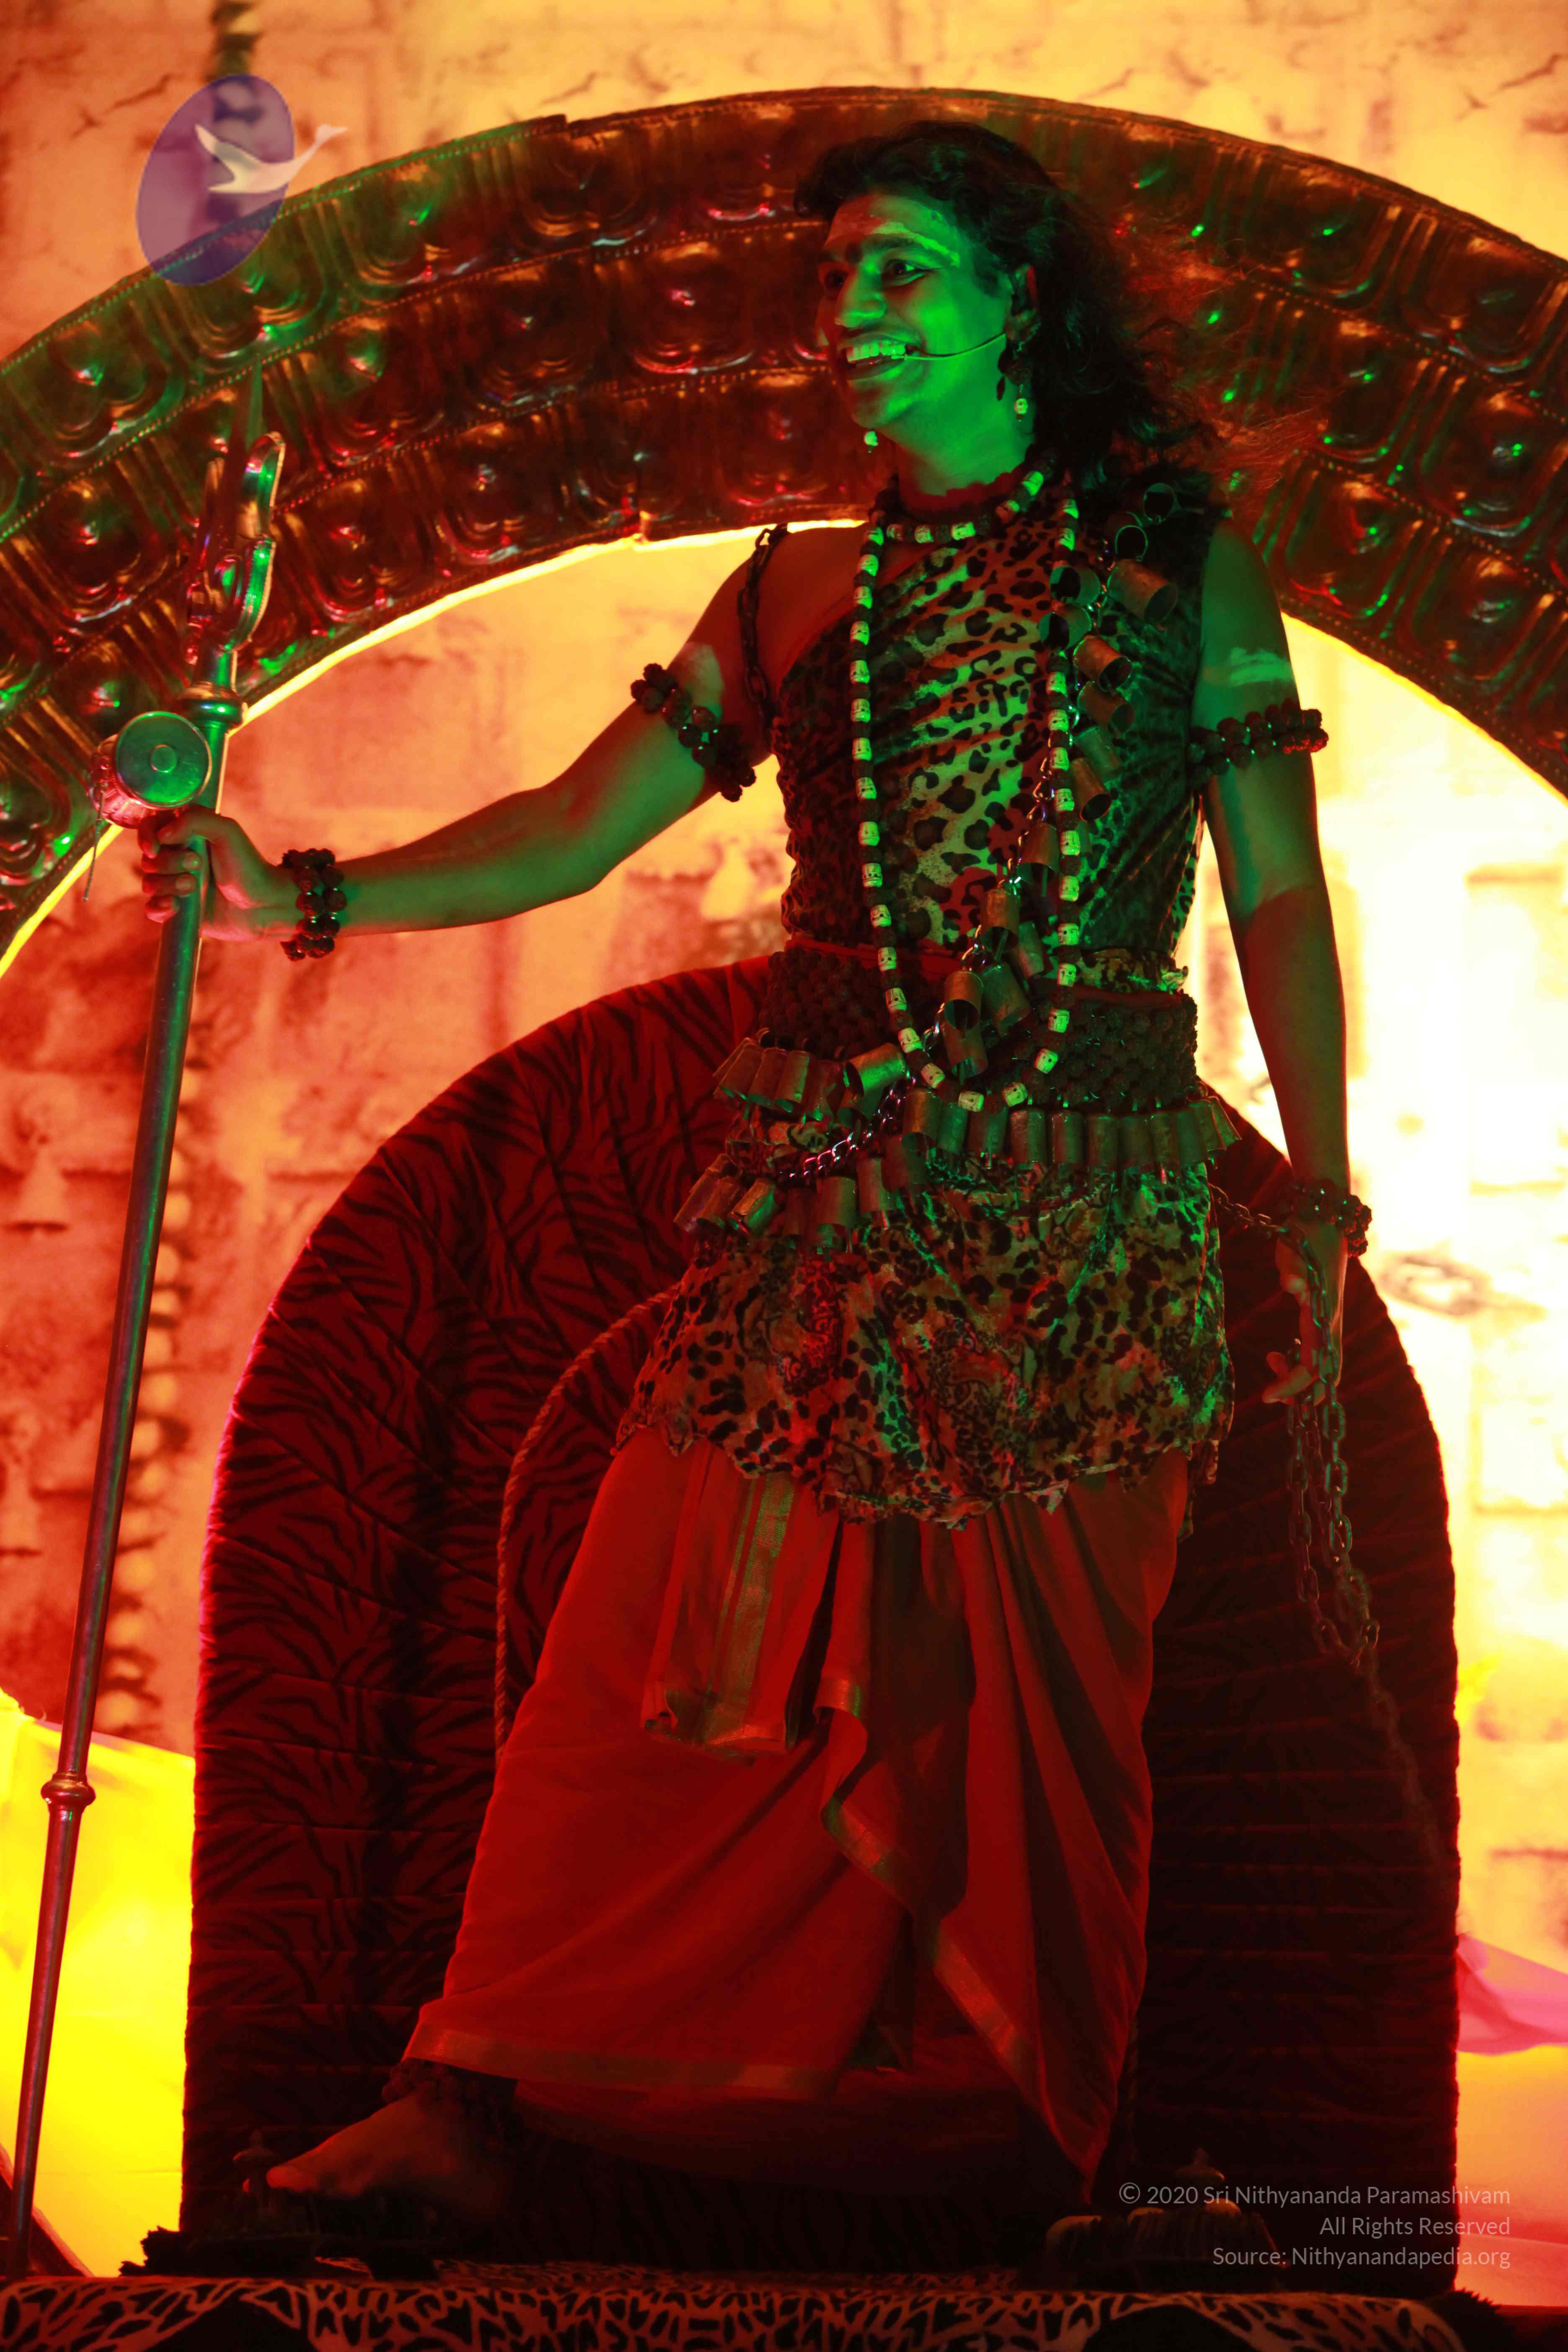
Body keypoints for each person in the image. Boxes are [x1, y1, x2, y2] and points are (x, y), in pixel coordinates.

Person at [141, 121, 1363, 2246]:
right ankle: (469, 2098)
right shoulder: (797, 587)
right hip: (817, 1220)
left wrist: (1325, 1194)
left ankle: (1046, 2158)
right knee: (648, 1657)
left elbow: (1276, 890)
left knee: (1045, 1725)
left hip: (1082, 1226)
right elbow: (572, 825)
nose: (854, 315)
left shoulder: (1181, 575)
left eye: (900, 272)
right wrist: (296, 894)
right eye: (835, 281)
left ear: (1016, 302)